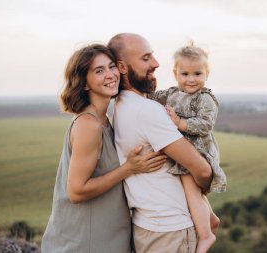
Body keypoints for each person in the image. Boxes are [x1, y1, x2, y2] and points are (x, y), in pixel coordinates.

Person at [41, 44, 167, 253]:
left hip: (106, 240)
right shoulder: (88, 125)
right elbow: (76, 191)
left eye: (111, 67)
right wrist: (129, 168)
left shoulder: (104, 120)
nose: (110, 75)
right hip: (84, 243)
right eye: (99, 71)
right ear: (84, 83)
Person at [108, 33, 213, 253]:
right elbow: (202, 170)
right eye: (146, 58)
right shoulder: (147, 111)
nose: (156, 64)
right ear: (123, 67)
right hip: (170, 229)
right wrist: (202, 191)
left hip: (146, 225)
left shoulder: (119, 106)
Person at [148, 41, 227, 253]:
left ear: (206, 73)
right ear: (175, 73)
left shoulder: (206, 99)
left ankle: (206, 235)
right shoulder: (171, 93)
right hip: (183, 150)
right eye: (185, 74)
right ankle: (211, 219)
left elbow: (206, 125)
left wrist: (180, 124)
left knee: (191, 191)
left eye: (197, 73)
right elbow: (149, 99)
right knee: (193, 193)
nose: (191, 79)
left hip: (198, 151)